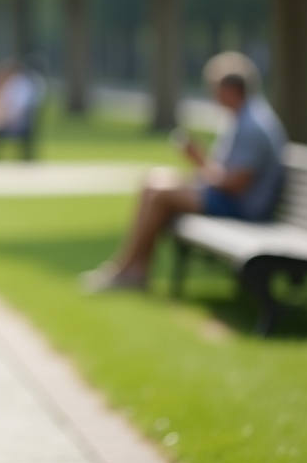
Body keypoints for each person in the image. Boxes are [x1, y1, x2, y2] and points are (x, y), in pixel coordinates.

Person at [81, 51, 286, 292]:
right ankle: (130, 269)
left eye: (215, 89)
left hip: (244, 208)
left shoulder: (252, 126)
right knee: (153, 182)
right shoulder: (245, 117)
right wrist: (201, 165)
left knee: (159, 193)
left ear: (231, 90)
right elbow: (228, 175)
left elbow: (236, 185)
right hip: (234, 199)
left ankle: (130, 271)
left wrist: (198, 161)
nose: (212, 96)